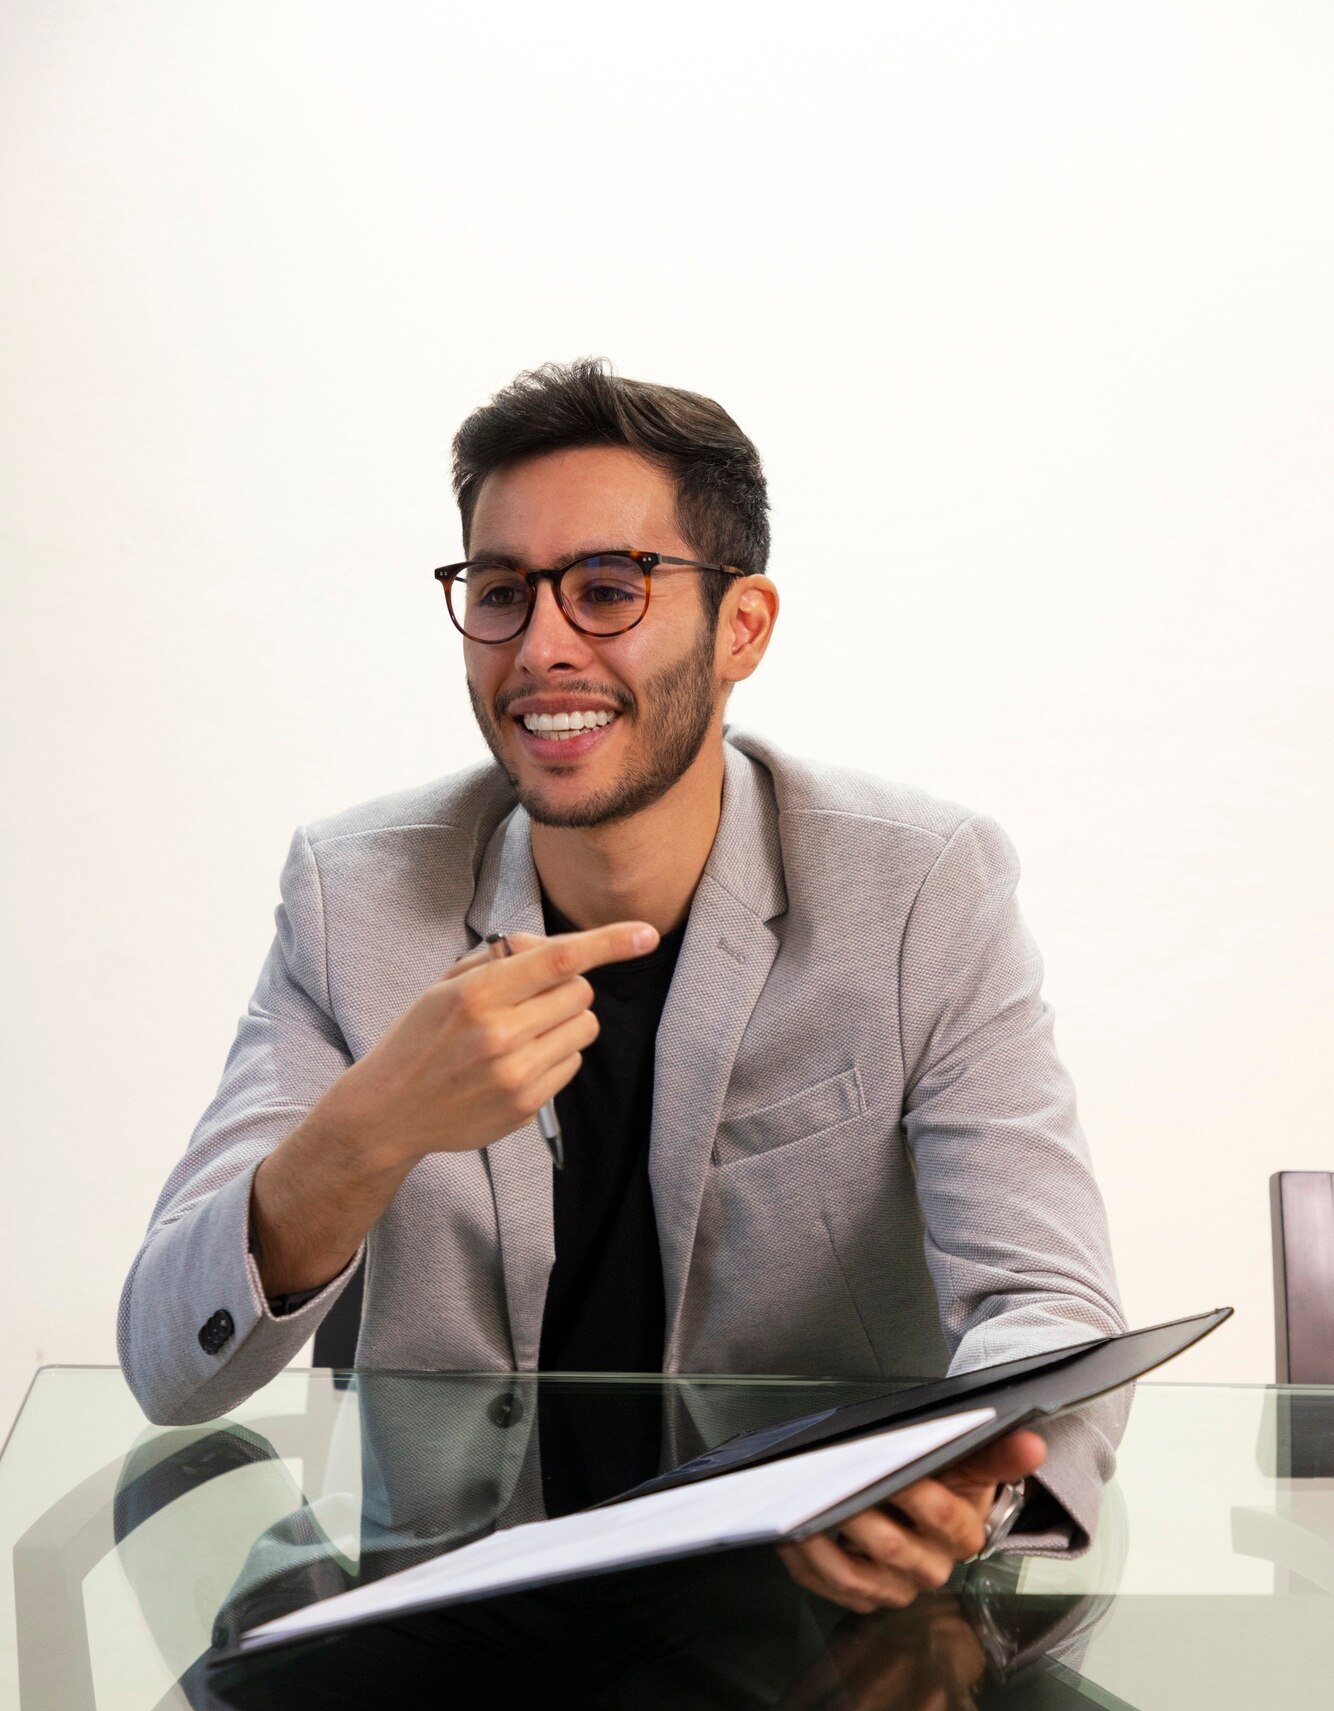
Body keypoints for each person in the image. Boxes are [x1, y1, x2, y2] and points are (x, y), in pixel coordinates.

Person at [118, 358, 1127, 1612]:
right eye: (501, 593)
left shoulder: (917, 888)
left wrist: (966, 1486)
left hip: (806, 1620)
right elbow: (171, 1362)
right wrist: (372, 1125)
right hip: (458, 1619)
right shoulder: (354, 896)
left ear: (741, 626)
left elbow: (1046, 1299)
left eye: (607, 589)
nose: (542, 647)